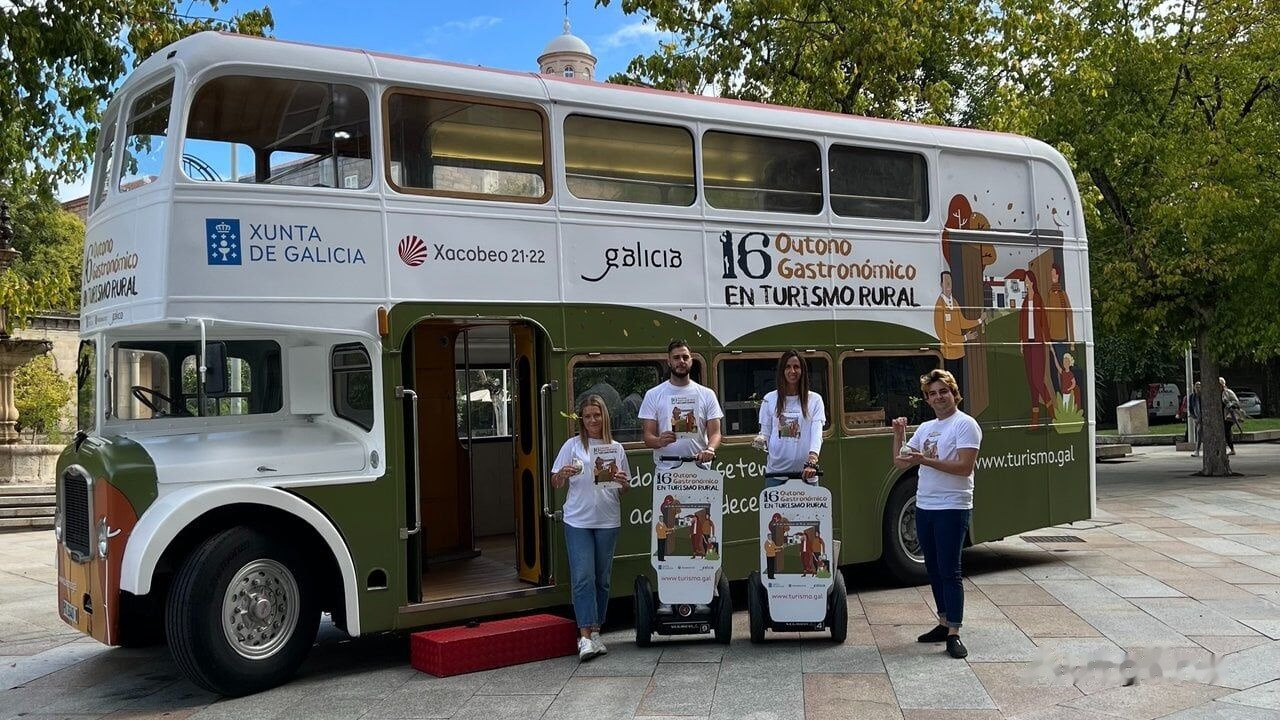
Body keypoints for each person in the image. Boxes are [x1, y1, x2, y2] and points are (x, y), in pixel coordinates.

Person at [891, 369, 982, 660]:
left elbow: (964, 467)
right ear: (927, 400)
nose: (938, 397)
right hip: (926, 505)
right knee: (932, 566)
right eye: (932, 394)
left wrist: (925, 460)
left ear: (953, 393)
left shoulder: (965, 425)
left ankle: (954, 631)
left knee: (950, 569)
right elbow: (900, 461)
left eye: (943, 391)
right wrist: (898, 435)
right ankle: (943, 621)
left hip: (952, 505)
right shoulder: (927, 427)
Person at [550, 394, 630, 661]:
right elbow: (555, 482)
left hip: (607, 519)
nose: (592, 420)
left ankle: (596, 631)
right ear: (581, 420)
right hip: (577, 520)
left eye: (596, 415)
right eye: (587, 416)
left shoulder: (616, 448)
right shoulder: (572, 446)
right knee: (583, 576)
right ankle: (584, 637)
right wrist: (563, 474)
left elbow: (624, 489)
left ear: (604, 416)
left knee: (602, 579)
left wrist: (622, 480)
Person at [639, 339, 724, 469]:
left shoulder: (707, 394)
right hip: (666, 470)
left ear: (691, 360)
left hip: (700, 468)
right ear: (669, 362)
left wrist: (710, 449)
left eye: (685, 357)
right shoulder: (653, 394)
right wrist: (659, 441)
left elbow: (716, 433)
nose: (681, 361)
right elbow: (647, 436)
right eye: (676, 358)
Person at [756, 350, 826, 487]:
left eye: (796, 367)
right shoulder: (769, 399)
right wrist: (759, 442)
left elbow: (817, 434)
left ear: (803, 371)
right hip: (776, 474)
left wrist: (812, 460)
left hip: (807, 473)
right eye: (787, 367)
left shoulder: (815, 400)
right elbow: (765, 434)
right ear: (782, 370)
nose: (792, 371)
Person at [933, 271, 982, 395]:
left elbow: (962, 322)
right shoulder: (939, 305)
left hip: (959, 352)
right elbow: (942, 334)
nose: (949, 284)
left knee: (958, 388)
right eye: (946, 282)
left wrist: (980, 320)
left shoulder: (954, 302)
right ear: (941, 284)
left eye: (950, 282)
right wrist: (965, 337)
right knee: (949, 388)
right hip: (948, 353)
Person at [1017, 269, 1054, 427]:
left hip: (1038, 344)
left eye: (1026, 280)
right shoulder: (1026, 301)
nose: (1025, 283)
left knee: (1038, 380)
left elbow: (1044, 322)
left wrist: (1048, 341)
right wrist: (1021, 341)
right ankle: (1035, 419)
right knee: (1031, 381)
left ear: (1032, 281)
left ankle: (1051, 410)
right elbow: (1022, 322)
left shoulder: (1038, 299)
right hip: (1027, 345)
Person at [1045, 263, 1073, 392]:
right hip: (1051, 337)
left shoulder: (1062, 294)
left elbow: (1070, 314)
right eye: (1051, 273)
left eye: (1054, 273)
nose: (1052, 276)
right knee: (1053, 367)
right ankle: (1057, 393)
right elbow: (1046, 315)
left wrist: (1071, 340)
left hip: (1062, 337)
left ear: (1058, 275)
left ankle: (1065, 392)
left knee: (1062, 368)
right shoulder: (1050, 293)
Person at [1221, 377, 1240, 455]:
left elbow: (1236, 402)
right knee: (1225, 432)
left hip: (1228, 415)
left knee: (1226, 431)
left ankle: (1232, 449)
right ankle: (1228, 447)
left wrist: (1229, 404)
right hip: (1222, 415)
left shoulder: (1227, 392)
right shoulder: (1217, 393)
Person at [1189, 381, 1203, 456]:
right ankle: (1197, 450)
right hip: (1197, 418)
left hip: (1205, 417)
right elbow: (1191, 408)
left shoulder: (1204, 396)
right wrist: (1194, 418)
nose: (1197, 388)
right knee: (1198, 433)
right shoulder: (1192, 396)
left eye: (1199, 387)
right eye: (1196, 387)